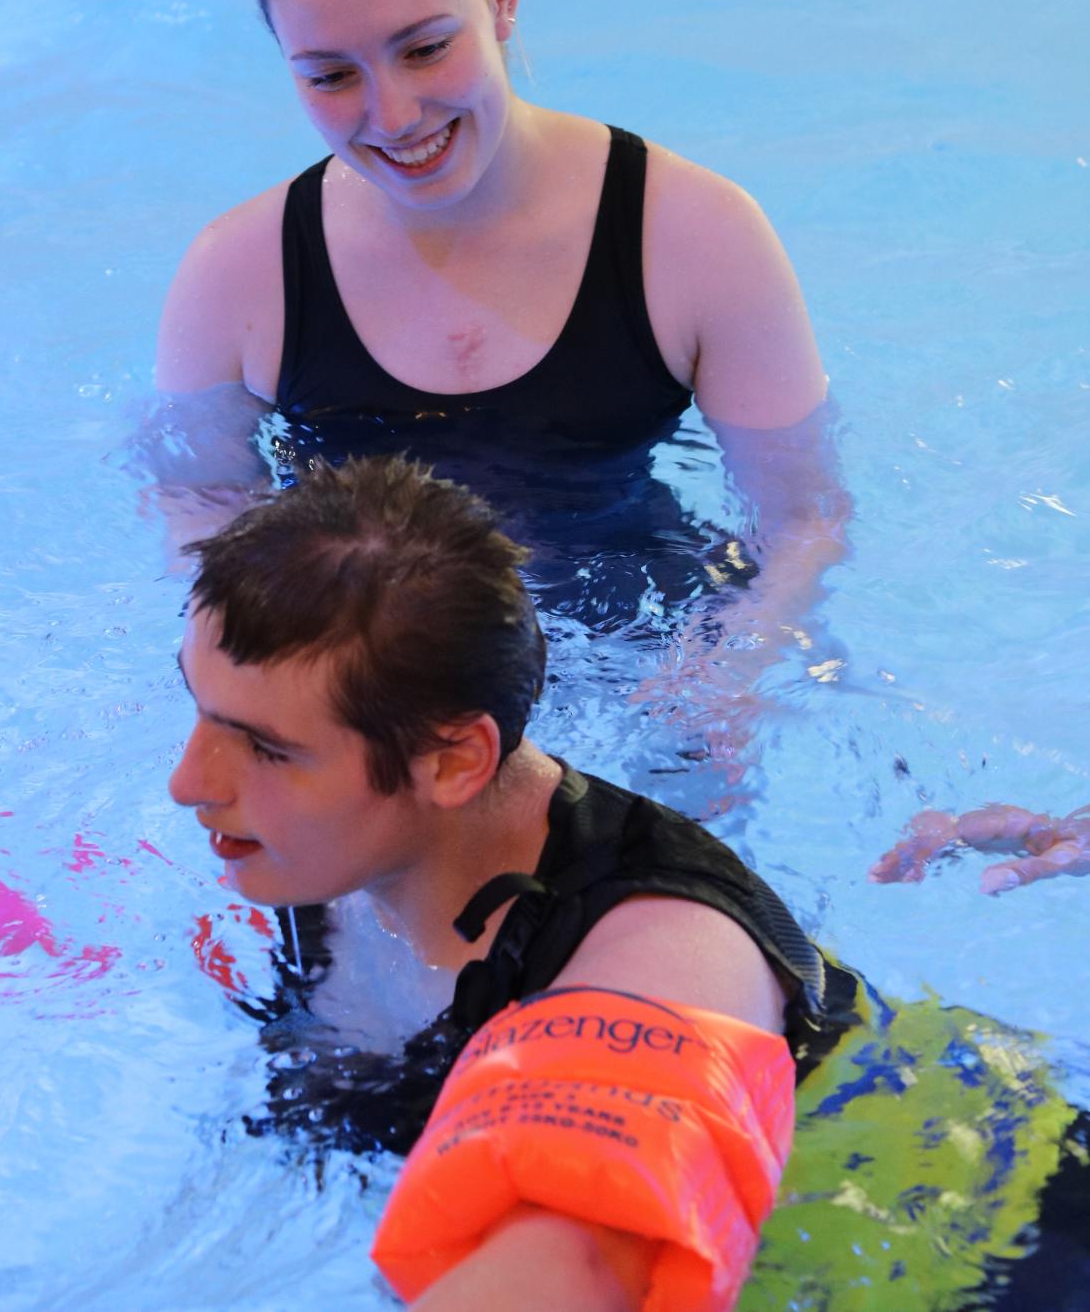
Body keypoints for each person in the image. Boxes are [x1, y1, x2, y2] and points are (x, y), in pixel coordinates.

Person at [151, 0, 850, 750]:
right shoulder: (237, 277)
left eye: (426, 47)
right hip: (372, 683)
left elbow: (804, 519)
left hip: (639, 653)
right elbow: (200, 518)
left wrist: (728, 667)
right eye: (330, 76)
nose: (394, 115)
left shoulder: (695, 237)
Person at [168, 455, 848, 1310]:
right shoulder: (325, 843)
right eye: (195, 703)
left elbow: (581, 1263)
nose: (188, 782)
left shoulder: (662, 951)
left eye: (266, 747)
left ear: (453, 760)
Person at [870, 799, 1090, 894]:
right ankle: (938, 835)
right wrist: (1016, 873)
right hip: (1059, 837)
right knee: (1028, 828)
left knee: (1021, 822)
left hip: (1049, 829)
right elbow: (1056, 860)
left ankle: (939, 834)